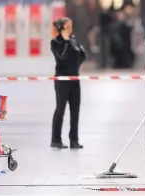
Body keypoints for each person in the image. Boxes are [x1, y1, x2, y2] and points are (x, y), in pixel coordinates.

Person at [50, 17, 86, 149]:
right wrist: (66, 41)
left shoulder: (73, 40)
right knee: (60, 109)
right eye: (69, 26)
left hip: (74, 78)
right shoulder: (56, 42)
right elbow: (62, 57)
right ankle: (56, 139)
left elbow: (81, 55)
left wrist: (76, 65)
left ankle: (74, 140)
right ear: (63, 27)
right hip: (62, 79)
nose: (71, 28)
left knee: (75, 109)